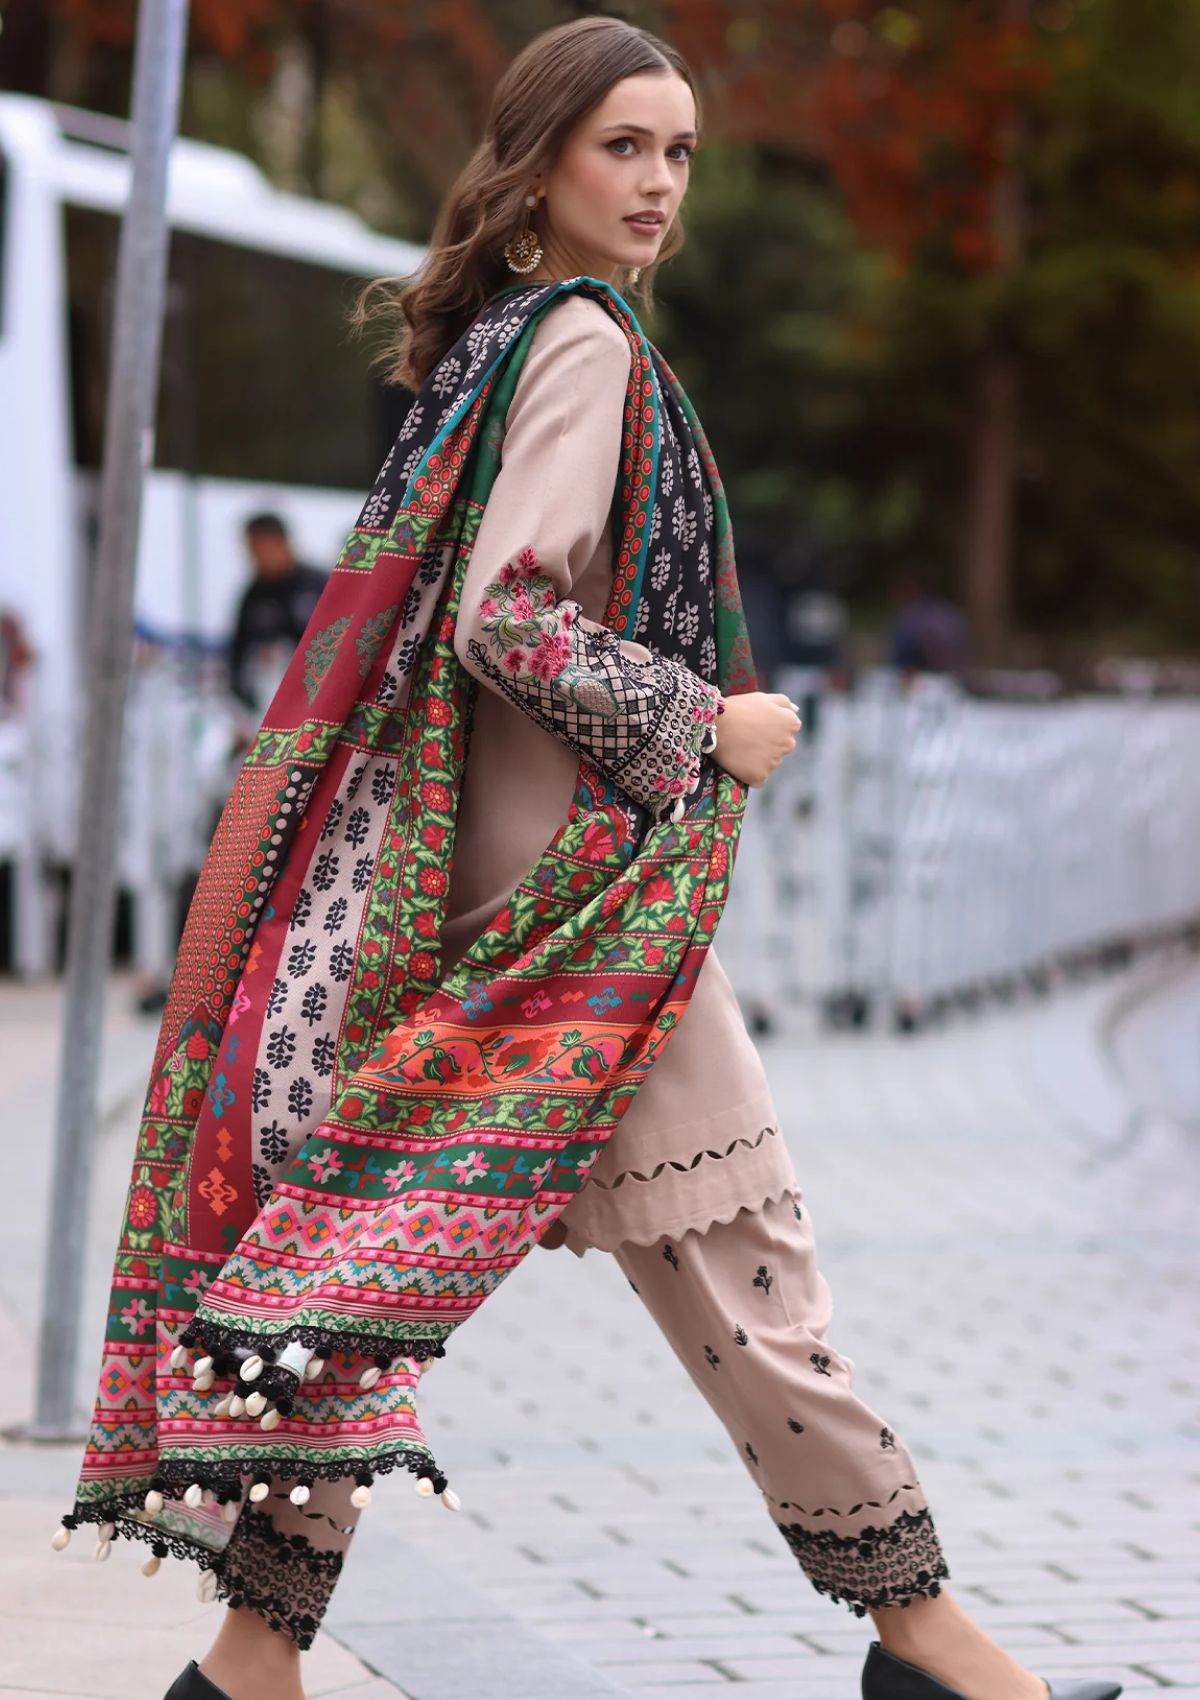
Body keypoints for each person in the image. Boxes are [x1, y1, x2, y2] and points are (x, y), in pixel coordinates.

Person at [56, 21, 1119, 1700]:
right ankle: (930, 1648)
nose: (660, 183)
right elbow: (507, 616)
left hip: (468, 910)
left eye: (679, 152)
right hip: (572, 925)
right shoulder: (579, 343)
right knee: (747, 1266)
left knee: (353, 1283)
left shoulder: (498, 341)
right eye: (625, 145)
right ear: (539, 157)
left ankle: (249, 1668)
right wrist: (708, 721)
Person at [228, 514, 327, 720]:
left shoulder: (318, 585)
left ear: (281, 543)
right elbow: (238, 654)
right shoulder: (254, 596)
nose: (255, 558)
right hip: (271, 701)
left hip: (319, 696)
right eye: (251, 551)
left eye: (260, 549)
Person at [887, 565, 970, 678]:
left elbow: (898, 662)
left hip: (922, 680)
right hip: (956, 679)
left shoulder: (910, 618)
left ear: (910, 588)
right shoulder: (953, 614)